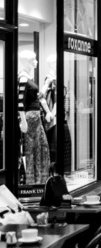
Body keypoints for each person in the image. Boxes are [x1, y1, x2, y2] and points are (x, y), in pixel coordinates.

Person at [18, 49, 50, 185]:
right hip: (30, 117)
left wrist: (45, 87)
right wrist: (23, 121)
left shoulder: (28, 78)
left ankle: (40, 181)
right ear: (26, 62)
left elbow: (36, 97)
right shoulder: (23, 78)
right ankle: (32, 182)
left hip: (36, 117)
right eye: (33, 60)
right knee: (32, 150)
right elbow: (19, 102)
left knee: (41, 149)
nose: (36, 62)